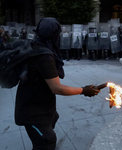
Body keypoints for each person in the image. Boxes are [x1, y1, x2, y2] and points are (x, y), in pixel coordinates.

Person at [14, 17, 100, 150]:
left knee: (53, 118)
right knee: (46, 142)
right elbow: (57, 88)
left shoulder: (33, 45)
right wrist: (83, 90)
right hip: (32, 112)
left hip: (39, 104)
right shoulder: (43, 56)